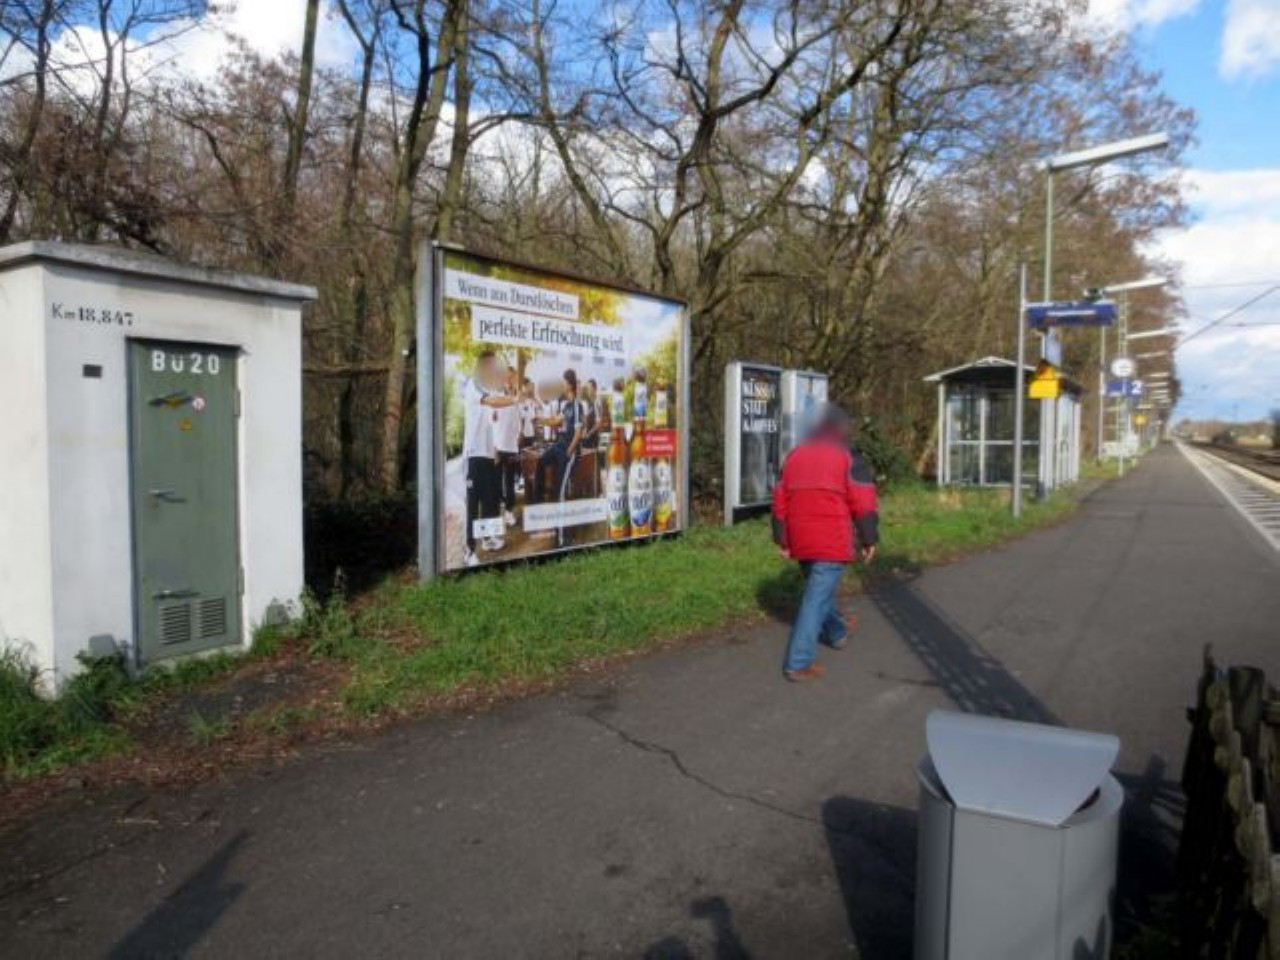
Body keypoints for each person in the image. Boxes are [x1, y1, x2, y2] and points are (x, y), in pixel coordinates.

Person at [771, 404, 879, 682]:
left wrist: (782, 538)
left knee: (818, 593)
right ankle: (798, 663)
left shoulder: (795, 455)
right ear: (840, 428)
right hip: (831, 540)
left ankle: (838, 632)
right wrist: (869, 538)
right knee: (815, 599)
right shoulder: (848, 456)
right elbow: (863, 501)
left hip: (800, 539)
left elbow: (780, 499)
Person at [462, 352, 516, 567]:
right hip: (474, 454)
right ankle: (468, 550)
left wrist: (494, 450)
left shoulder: (489, 389)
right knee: (473, 504)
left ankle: (487, 539)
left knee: (490, 500)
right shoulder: (473, 385)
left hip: (488, 454)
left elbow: (491, 424)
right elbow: (493, 402)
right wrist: (514, 399)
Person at [533, 369, 584, 508]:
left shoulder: (577, 406)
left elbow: (578, 433)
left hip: (569, 449)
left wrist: (569, 452)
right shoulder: (566, 406)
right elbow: (556, 421)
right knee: (541, 461)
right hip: (560, 445)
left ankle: (561, 517)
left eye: (563, 382)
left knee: (560, 486)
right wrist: (540, 420)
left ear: (570, 385)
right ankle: (537, 501)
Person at [493, 366, 522, 529]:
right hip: (498, 447)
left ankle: (509, 512)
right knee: (497, 483)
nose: (511, 381)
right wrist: (494, 447)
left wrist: (517, 438)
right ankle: (499, 513)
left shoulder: (515, 399)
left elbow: (517, 422)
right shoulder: (496, 397)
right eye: (509, 377)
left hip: (511, 447)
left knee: (510, 482)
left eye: (513, 378)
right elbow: (491, 423)